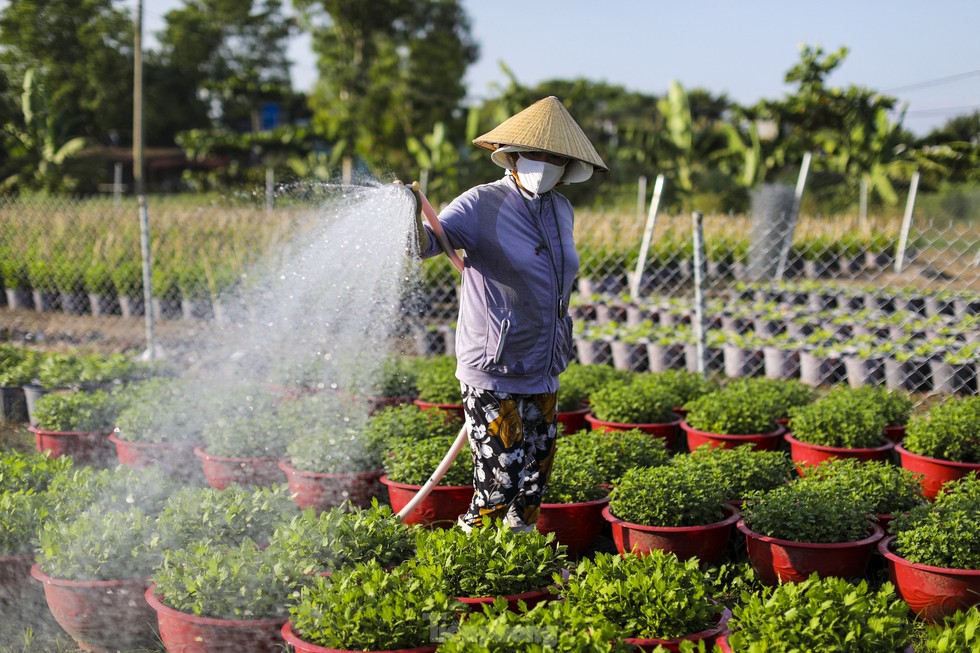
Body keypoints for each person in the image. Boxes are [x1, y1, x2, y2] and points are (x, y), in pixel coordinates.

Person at [411, 96, 607, 532]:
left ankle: (516, 560)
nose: (544, 163)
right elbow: (426, 244)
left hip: (543, 366)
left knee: (534, 482)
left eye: (554, 156)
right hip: (494, 367)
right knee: (500, 482)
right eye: (534, 153)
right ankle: (469, 564)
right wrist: (404, 219)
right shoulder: (481, 204)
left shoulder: (561, 209)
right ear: (513, 156)